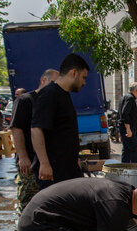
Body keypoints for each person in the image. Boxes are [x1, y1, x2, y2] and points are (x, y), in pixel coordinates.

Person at [10, 68, 59, 231]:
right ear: (43, 80)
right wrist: (23, 157)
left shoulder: (52, 102)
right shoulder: (27, 100)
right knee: (32, 215)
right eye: (53, 83)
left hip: (47, 169)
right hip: (30, 167)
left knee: (45, 215)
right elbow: (17, 130)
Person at [31, 53, 89, 190]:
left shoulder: (64, 95)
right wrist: (44, 163)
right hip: (53, 172)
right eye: (83, 77)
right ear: (73, 73)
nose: (84, 82)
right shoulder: (49, 94)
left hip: (67, 169)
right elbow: (36, 129)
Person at [117, 82, 137, 163]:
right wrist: (128, 129)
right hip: (127, 128)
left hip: (123, 128)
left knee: (126, 149)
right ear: (136, 90)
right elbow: (124, 113)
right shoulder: (130, 98)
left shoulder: (124, 97)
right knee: (135, 148)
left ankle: (125, 168)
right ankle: (134, 168)